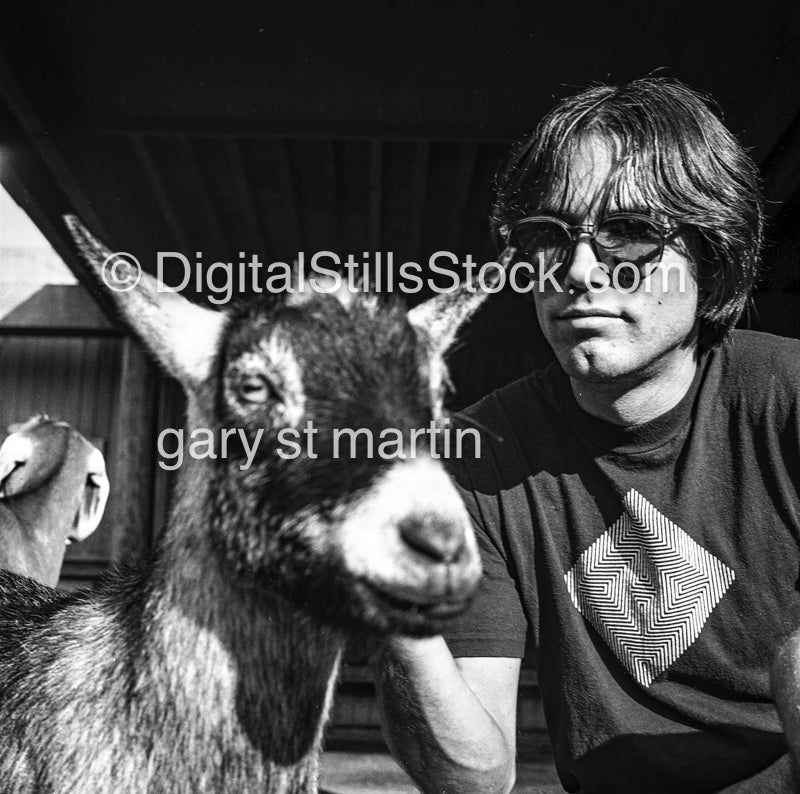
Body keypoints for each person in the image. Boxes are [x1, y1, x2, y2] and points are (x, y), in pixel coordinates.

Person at [373, 77, 800, 793]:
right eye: (547, 237)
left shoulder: (788, 400)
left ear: (711, 253)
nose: (576, 270)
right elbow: (474, 779)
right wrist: (394, 612)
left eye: (628, 233)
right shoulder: (474, 463)